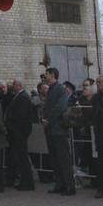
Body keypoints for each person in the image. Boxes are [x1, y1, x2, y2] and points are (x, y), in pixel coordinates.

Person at [42, 67, 75, 195]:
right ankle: (60, 184)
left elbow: (60, 107)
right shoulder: (50, 89)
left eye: (47, 74)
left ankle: (69, 186)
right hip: (51, 130)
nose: (45, 76)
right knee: (55, 159)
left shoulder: (60, 89)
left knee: (63, 159)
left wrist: (48, 119)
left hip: (58, 130)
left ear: (52, 75)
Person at [5, 79, 36, 191]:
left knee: (22, 157)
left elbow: (21, 115)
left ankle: (27, 182)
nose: (12, 86)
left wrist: (11, 121)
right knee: (19, 156)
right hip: (18, 131)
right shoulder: (19, 96)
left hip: (20, 131)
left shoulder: (23, 97)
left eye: (14, 84)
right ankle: (24, 181)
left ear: (19, 86)